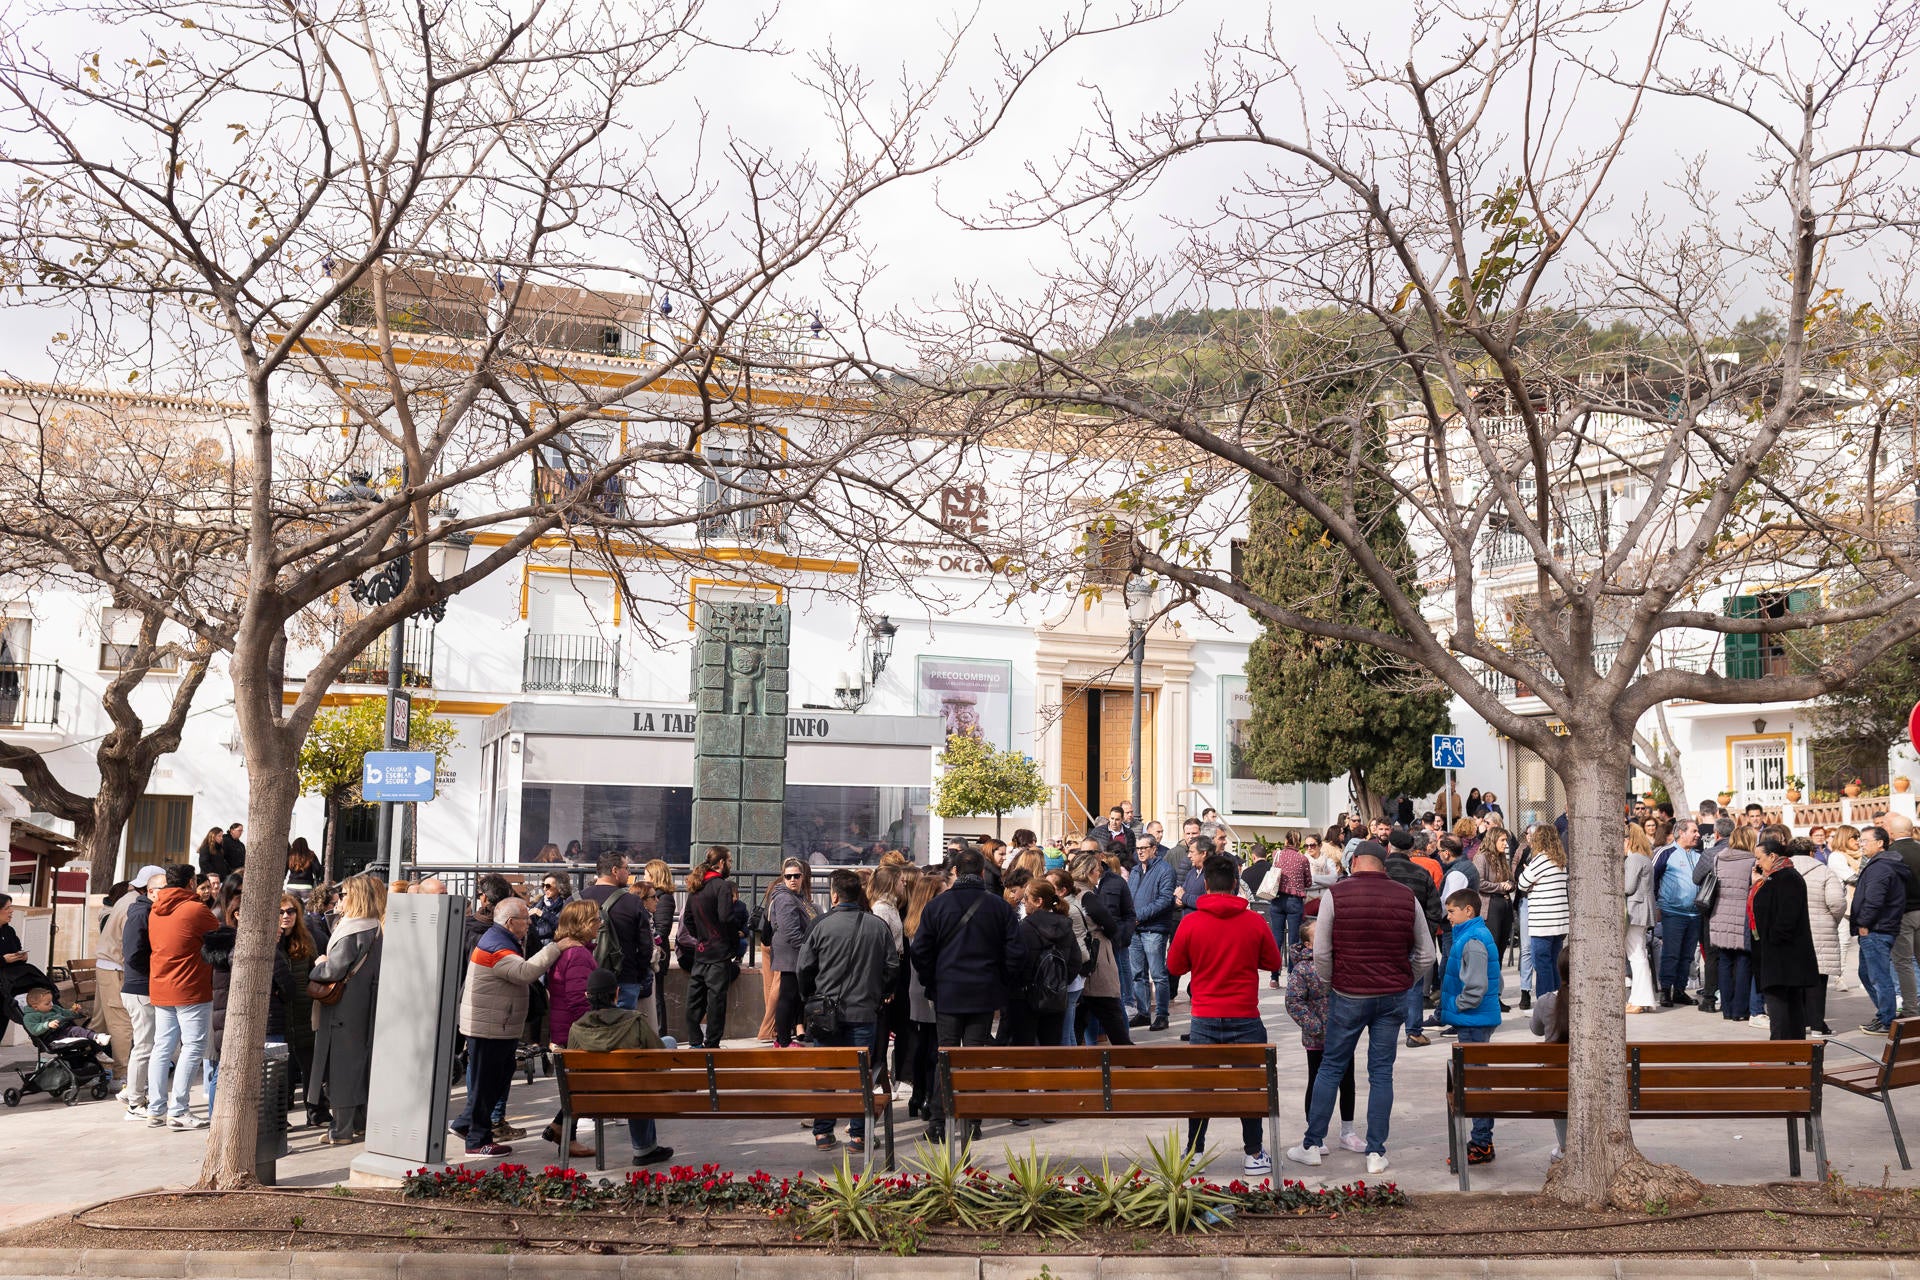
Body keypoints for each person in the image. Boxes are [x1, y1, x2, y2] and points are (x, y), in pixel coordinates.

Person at [1285, 845, 1431, 1175]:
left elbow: (1321, 951)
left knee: (1331, 1066)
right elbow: (1426, 954)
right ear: (1385, 865)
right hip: (1392, 996)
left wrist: (1328, 983)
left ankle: (1312, 1143)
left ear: (1353, 864)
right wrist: (1404, 980)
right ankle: (1376, 1151)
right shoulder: (1406, 896)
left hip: (1347, 993)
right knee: (1381, 1073)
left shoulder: (1337, 894)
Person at [1169, 853, 1281, 1176]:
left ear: (1205, 884)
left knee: (1201, 1087)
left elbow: (1175, 966)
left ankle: (1193, 1152)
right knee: (1248, 1085)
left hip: (1204, 1017)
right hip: (1245, 1015)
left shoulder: (1191, 922)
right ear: (1235, 884)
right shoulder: (1254, 921)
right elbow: (1273, 961)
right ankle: (1254, 1153)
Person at [910, 847, 1025, 1144]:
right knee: (975, 1058)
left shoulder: (937, 906)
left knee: (945, 1056)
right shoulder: (998, 907)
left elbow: (920, 951)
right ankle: (972, 1122)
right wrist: (1001, 982)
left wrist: (932, 980)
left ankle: (938, 1122)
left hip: (948, 992)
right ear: (983, 873)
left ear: (956, 873)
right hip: (984, 993)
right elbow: (1016, 952)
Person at [797, 868, 898, 1153]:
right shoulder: (878, 926)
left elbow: (803, 968)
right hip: (864, 1011)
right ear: (860, 893)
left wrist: (811, 997)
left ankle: (823, 1133)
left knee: (826, 1073)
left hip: (824, 1014)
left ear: (834, 894)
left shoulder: (820, 924)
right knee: (860, 1075)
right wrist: (882, 993)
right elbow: (892, 967)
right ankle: (858, 1135)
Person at [457, 896, 560, 1157]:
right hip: (490, 1026)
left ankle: (464, 1124)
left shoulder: (501, 939)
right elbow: (525, 972)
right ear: (511, 922)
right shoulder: (496, 946)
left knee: (493, 1079)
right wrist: (557, 947)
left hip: (496, 1024)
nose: (530, 923)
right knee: (487, 1083)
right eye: (526, 919)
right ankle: (477, 1140)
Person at [309, 874, 385, 1145]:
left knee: (342, 1067)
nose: (339, 899)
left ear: (355, 897)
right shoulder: (372, 926)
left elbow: (334, 968)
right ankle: (359, 1125)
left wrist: (318, 964)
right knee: (357, 1065)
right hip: (360, 1004)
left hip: (344, 1006)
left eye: (344, 895)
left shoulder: (355, 929)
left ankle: (341, 1131)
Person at [142, 863, 219, 1129]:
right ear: (190, 883)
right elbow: (220, 937)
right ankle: (179, 1109)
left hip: (161, 985)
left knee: (162, 1048)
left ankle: (155, 1109)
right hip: (190, 986)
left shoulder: (155, 909)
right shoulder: (196, 909)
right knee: (193, 1046)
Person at [564, 969, 671, 1159]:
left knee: (636, 1079)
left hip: (593, 1100)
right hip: (633, 1094)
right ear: (617, 993)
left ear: (587, 996)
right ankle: (644, 1149)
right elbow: (661, 1059)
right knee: (667, 1044)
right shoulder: (634, 1022)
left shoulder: (576, 1029)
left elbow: (574, 1070)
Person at [1283, 916, 1360, 1152]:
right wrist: (1316, 1026)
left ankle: (1348, 1131)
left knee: (1347, 1082)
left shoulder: (1340, 961)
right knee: (1316, 1082)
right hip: (1317, 1037)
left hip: (1343, 1034)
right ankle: (1315, 1134)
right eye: (1319, 936)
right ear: (1307, 944)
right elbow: (1294, 1001)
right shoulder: (1303, 969)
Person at [1439, 888, 1503, 1167]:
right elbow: (1497, 982)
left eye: (1452, 911)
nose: (1448, 916)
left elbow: (1477, 987)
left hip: (1474, 1020)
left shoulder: (1473, 939)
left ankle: (1481, 1141)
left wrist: (1456, 1004)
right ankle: (1482, 1138)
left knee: (1475, 1083)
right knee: (1476, 1080)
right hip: (1475, 1019)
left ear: (1469, 911)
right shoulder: (1473, 935)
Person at [540, 899, 602, 1159]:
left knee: (579, 1085)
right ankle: (564, 1132)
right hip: (574, 1031)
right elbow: (579, 1000)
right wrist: (592, 1031)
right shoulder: (577, 954)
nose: (600, 924)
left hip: (566, 1029)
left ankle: (560, 1128)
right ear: (583, 923)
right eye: (596, 919)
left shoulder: (571, 951)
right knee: (582, 1086)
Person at [1750, 835, 1819, 1040]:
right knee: (1786, 1002)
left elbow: (1786, 917)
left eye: (1760, 858)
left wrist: (1772, 939)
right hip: (1778, 953)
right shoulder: (1774, 876)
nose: (1757, 863)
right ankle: (1790, 1049)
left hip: (1782, 954)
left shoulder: (1787, 877)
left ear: (1772, 856)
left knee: (1782, 1003)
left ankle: (1782, 1048)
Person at [677, 846, 744, 1050]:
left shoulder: (697, 885)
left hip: (702, 951)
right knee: (716, 1001)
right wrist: (734, 939)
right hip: (719, 952)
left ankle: (695, 1040)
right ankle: (711, 1044)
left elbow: (687, 918)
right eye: (730, 861)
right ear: (721, 862)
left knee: (694, 999)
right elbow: (726, 918)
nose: (730, 865)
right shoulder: (721, 886)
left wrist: (701, 937)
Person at [1382, 829, 1442, 1046]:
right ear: (1410, 849)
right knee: (1414, 983)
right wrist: (1425, 932)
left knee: (1384, 984)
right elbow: (1435, 909)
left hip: (1382, 937)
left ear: (1389, 847)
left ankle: (1385, 1030)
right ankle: (1414, 1031)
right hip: (1413, 935)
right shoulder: (1420, 873)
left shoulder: (1380, 871)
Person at [1008, 879, 1081, 1050]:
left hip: (1024, 998)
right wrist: (1058, 982)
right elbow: (1075, 961)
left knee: (1024, 1052)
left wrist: (1020, 986)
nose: (1023, 901)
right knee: (1052, 1051)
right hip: (1055, 996)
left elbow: (1014, 962)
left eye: (1026, 898)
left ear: (1039, 901)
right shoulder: (1065, 925)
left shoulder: (1023, 928)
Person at [1851, 824, 1911, 1033]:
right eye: (1860, 840)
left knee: (1878, 976)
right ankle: (1886, 1014)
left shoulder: (1880, 866)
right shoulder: (1881, 863)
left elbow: (1874, 900)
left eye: (1865, 841)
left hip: (1876, 929)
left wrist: (1864, 924)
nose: (1861, 844)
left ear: (1879, 843)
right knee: (1866, 973)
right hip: (1878, 928)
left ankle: (1886, 1020)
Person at [1788, 837, 1847, 1036]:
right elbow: (1837, 903)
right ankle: (1817, 1025)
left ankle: (1799, 1022)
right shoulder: (1824, 871)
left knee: (1795, 979)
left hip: (1792, 932)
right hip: (1821, 931)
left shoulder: (1782, 872)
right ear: (1812, 852)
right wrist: (1833, 921)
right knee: (1818, 981)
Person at [1700, 825, 1757, 1022]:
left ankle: (1726, 1008)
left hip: (1719, 914)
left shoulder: (1719, 857)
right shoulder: (1752, 861)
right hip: (1742, 916)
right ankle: (1740, 1010)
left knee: (1724, 960)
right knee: (1743, 961)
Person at [901, 873, 944, 1119]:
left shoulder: (914, 919)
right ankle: (928, 1096)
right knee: (932, 1046)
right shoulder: (930, 920)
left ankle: (919, 1095)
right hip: (928, 986)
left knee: (922, 1043)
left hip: (916, 986)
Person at [95, 876, 141, 1093]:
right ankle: (120, 1075)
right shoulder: (132, 904)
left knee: (104, 1021)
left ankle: (105, 1067)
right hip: (115, 969)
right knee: (122, 1024)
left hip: (110, 969)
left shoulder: (126, 902)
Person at [1128, 831, 1177, 1031]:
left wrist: (1139, 915)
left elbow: (1165, 900)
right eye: (1137, 848)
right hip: (1135, 930)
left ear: (1154, 849)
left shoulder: (1165, 870)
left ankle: (1163, 1015)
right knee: (1137, 974)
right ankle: (1143, 1012)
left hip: (1153, 930)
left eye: (1144, 848)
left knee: (1158, 975)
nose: (1140, 852)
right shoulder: (1134, 870)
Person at [1652, 820, 1703, 1008]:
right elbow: (1652, 879)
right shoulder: (1665, 853)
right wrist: (1656, 906)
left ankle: (1680, 991)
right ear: (1681, 833)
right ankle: (1665, 990)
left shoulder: (1699, 856)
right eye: (1694, 831)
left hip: (1695, 914)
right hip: (1672, 912)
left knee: (1687, 954)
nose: (1698, 834)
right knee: (1671, 953)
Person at [1517, 825, 1570, 1002]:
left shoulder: (1540, 859)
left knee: (1542, 964)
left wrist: (1526, 871)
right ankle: (1557, 1001)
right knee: (1555, 962)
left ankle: (1544, 1003)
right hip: (1560, 920)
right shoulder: (1560, 859)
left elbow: (1522, 883)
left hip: (1543, 922)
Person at [769, 859, 818, 1048]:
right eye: (788, 876)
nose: (792, 880)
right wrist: (809, 952)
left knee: (794, 997)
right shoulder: (785, 898)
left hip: (797, 954)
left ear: (802, 877)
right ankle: (782, 1040)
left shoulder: (798, 896)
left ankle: (784, 1038)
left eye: (796, 876)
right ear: (783, 878)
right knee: (787, 996)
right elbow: (791, 932)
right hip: (791, 955)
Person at [1531, 947, 1572, 1161]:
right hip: (1591, 1078)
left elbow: (1536, 1029)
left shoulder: (1547, 1001)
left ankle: (1565, 1147)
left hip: (1555, 1081)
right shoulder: (1598, 1005)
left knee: (1555, 1077)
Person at [1259, 838, 1313, 985]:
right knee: (1294, 939)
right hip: (1294, 901)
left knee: (1277, 938)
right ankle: (1291, 974)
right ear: (1299, 842)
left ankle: (1274, 977)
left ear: (1285, 841)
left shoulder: (1277, 854)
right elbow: (1308, 881)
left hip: (1276, 899)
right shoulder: (1303, 858)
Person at [1882, 814, 1920, 1018]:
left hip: (1903, 914)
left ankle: (1911, 1008)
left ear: (1892, 833)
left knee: (1903, 963)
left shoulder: (1892, 853)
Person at [1623, 825, 1657, 1014]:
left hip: (1636, 911)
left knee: (1636, 955)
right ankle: (1639, 998)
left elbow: (1627, 887)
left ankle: (1641, 999)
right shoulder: (1644, 857)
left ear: (1629, 839)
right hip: (1642, 910)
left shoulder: (1634, 858)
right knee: (1638, 954)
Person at [643, 859, 677, 1032]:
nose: (643, 877)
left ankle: (660, 1032)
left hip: (657, 954)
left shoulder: (663, 899)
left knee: (657, 995)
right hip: (651, 952)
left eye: (646, 874)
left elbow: (661, 929)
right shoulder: (655, 896)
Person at [527, 872, 570, 949]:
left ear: (559, 887)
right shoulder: (537, 903)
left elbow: (564, 926)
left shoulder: (566, 905)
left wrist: (543, 914)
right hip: (536, 948)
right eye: (543, 885)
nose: (544, 888)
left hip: (556, 948)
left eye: (548, 886)